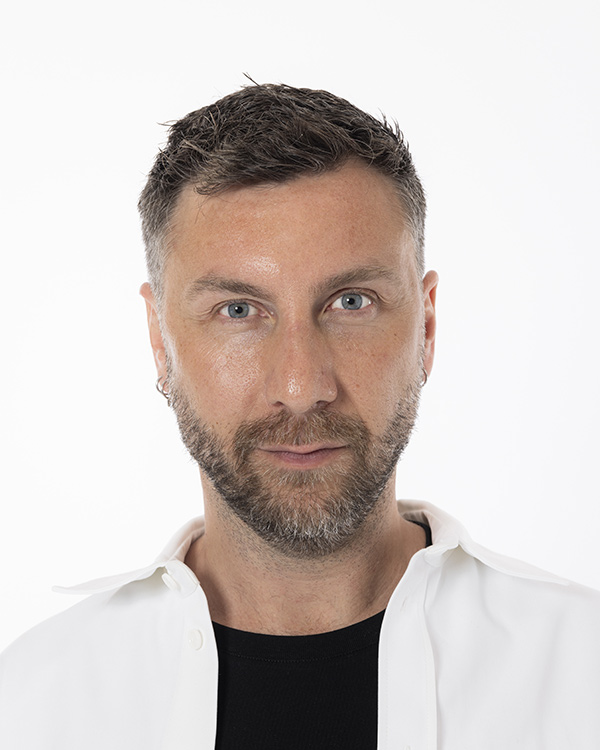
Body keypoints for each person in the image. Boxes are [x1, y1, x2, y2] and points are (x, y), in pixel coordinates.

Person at [1, 83, 599, 750]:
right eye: (238, 310)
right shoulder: (32, 705)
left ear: (427, 327)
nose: (300, 387)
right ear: (159, 341)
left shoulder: (582, 673)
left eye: (351, 302)